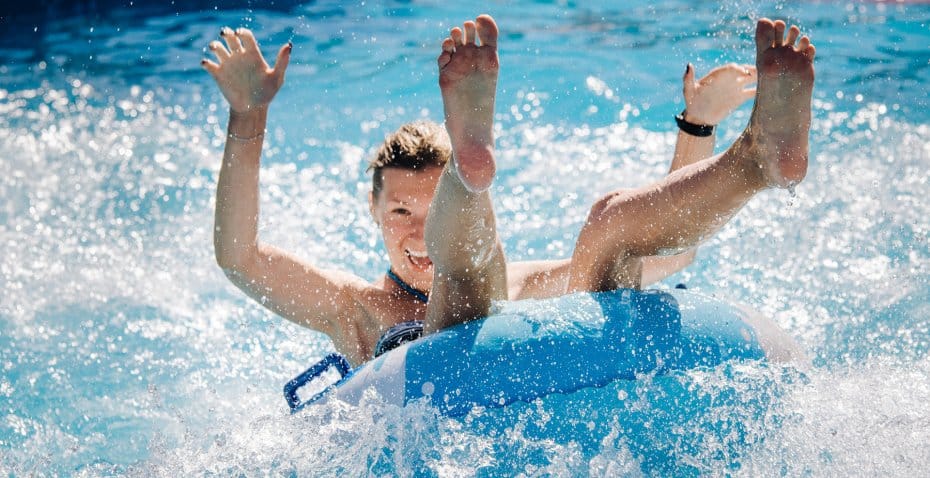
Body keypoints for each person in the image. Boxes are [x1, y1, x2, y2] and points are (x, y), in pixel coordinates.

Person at [202, 15, 812, 366]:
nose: (414, 231)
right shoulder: (354, 310)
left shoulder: (521, 282)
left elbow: (668, 256)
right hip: (437, 397)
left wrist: (697, 124)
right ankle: (467, 177)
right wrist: (247, 118)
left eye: (427, 206)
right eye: (399, 210)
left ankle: (756, 159)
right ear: (372, 210)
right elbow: (240, 257)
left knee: (606, 222)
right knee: (466, 282)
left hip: (530, 386)